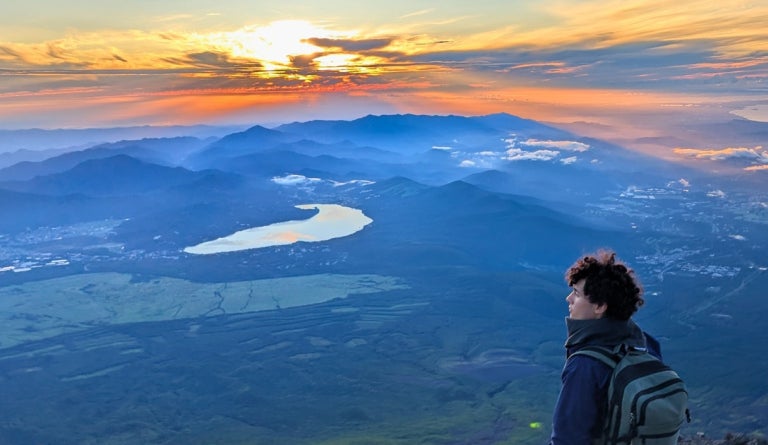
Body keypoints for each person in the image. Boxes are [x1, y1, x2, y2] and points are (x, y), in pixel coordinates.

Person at [548, 249, 661, 445]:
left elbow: (567, 439)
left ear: (600, 306)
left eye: (576, 293)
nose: (569, 299)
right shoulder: (646, 343)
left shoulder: (585, 364)